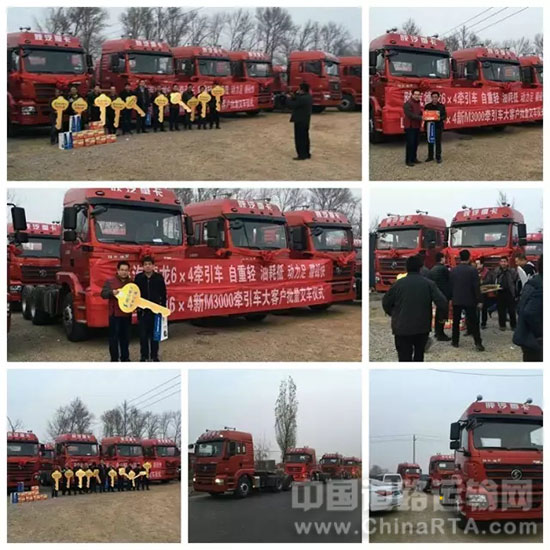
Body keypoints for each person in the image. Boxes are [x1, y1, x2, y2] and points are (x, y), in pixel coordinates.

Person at [382, 255, 448, 362]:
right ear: (420, 268)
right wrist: (441, 318)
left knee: (404, 357)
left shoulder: (398, 284)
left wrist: (394, 314)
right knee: (419, 356)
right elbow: (442, 302)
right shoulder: (429, 284)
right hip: (422, 327)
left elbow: (386, 302)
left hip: (401, 327)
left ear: (406, 268)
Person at [449, 250, 485, 351]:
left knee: (456, 322)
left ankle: (455, 341)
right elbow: (476, 286)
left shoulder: (453, 270)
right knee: (474, 322)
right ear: (469, 258)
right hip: (470, 300)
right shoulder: (473, 270)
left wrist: (450, 298)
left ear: (459, 258)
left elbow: (450, 285)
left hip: (457, 299)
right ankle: (478, 342)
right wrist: (480, 300)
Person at [135, 256, 167, 361]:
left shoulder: (159, 278)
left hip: (156, 311)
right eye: (145, 264)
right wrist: (137, 308)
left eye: (149, 264)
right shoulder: (138, 278)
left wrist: (163, 309)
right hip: (143, 312)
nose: (148, 266)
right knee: (143, 336)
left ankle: (154, 356)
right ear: (142, 266)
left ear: (153, 266)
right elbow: (135, 294)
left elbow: (163, 294)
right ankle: (144, 356)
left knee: (155, 335)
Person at [101, 261, 133, 362]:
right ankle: (114, 359)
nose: (124, 272)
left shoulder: (131, 283)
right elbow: (103, 294)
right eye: (122, 270)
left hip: (126, 314)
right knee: (113, 339)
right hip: (114, 315)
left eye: (126, 270)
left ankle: (125, 358)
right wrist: (112, 292)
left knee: (125, 338)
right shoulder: (110, 282)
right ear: (118, 270)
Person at [513, 255, 543, 361]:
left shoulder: (532, 282)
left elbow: (520, 307)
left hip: (527, 339)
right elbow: (530, 313)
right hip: (535, 342)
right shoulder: (541, 286)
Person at [489, 256, 518, 331]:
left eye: (505, 261)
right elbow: (493, 280)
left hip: (509, 292)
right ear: (499, 263)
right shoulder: (496, 271)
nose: (503, 263)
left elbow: (515, 280)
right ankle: (502, 325)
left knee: (511, 310)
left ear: (507, 262)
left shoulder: (512, 271)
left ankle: (513, 325)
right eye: (502, 261)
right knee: (501, 310)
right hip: (500, 292)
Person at [428, 252, 451, 341]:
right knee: (443, 315)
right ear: (441, 259)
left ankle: (437, 332)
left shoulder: (432, 269)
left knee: (438, 314)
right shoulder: (444, 269)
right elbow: (449, 280)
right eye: (444, 258)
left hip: (436, 295)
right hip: (444, 294)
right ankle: (441, 333)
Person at [287, 82, 313, 161]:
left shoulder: (302, 98)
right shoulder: (308, 96)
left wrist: (288, 98)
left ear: (302, 90)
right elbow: (297, 98)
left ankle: (301, 155)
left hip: (299, 120)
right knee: (305, 138)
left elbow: (292, 105)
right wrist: (293, 95)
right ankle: (306, 153)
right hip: (305, 120)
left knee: (299, 139)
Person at [424, 91, 447, 164]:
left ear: (438, 98)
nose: (434, 98)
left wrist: (439, 118)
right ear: (431, 97)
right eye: (433, 97)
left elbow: (444, 116)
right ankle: (430, 156)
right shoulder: (427, 106)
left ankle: (438, 157)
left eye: (436, 97)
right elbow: (425, 116)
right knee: (430, 141)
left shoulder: (441, 106)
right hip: (430, 126)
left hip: (438, 126)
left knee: (438, 142)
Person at [403, 88, 423, 167]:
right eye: (415, 94)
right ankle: (408, 160)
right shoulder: (407, 103)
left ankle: (414, 158)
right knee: (410, 144)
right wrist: (421, 117)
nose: (417, 96)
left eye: (418, 95)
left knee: (416, 143)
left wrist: (426, 114)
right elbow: (410, 115)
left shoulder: (418, 103)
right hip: (410, 127)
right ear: (412, 95)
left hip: (417, 126)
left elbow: (419, 112)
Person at [475, 257, 491, 329]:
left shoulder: (486, 271)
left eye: (478, 264)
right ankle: (476, 322)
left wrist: (481, 281)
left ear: (482, 264)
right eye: (476, 264)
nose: (477, 265)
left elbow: (489, 280)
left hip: (484, 292)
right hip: (476, 292)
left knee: (484, 308)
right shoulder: (474, 270)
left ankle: (483, 323)